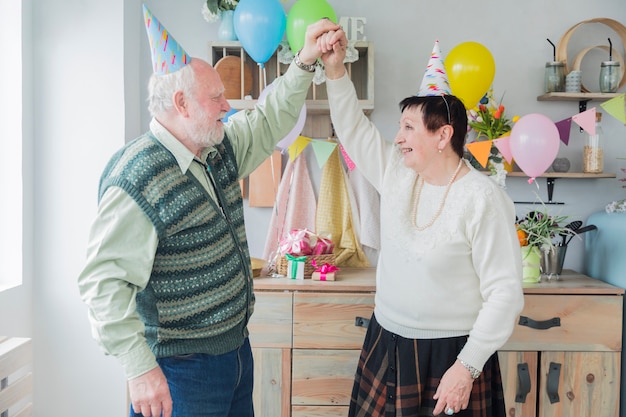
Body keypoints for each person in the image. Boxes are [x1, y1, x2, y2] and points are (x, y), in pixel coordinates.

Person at [77, 7, 342, 417]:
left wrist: (305, 60)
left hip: (234, 352)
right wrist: (140, 369)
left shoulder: (214, 147)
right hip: (180, 370)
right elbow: (101, 282)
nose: (226, 104)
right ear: (181, 103)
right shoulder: (139, 174)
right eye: (215, 96)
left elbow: (269, 119)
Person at [317, 29, 525, 417]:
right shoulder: (398, 175)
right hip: (386, 341)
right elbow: (353, 129)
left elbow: (506, 294)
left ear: (443, 134)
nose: (397, 139)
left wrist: (466, 367)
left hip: (452, 355)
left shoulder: (483, 198)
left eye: (409, 128)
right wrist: (335, 71)